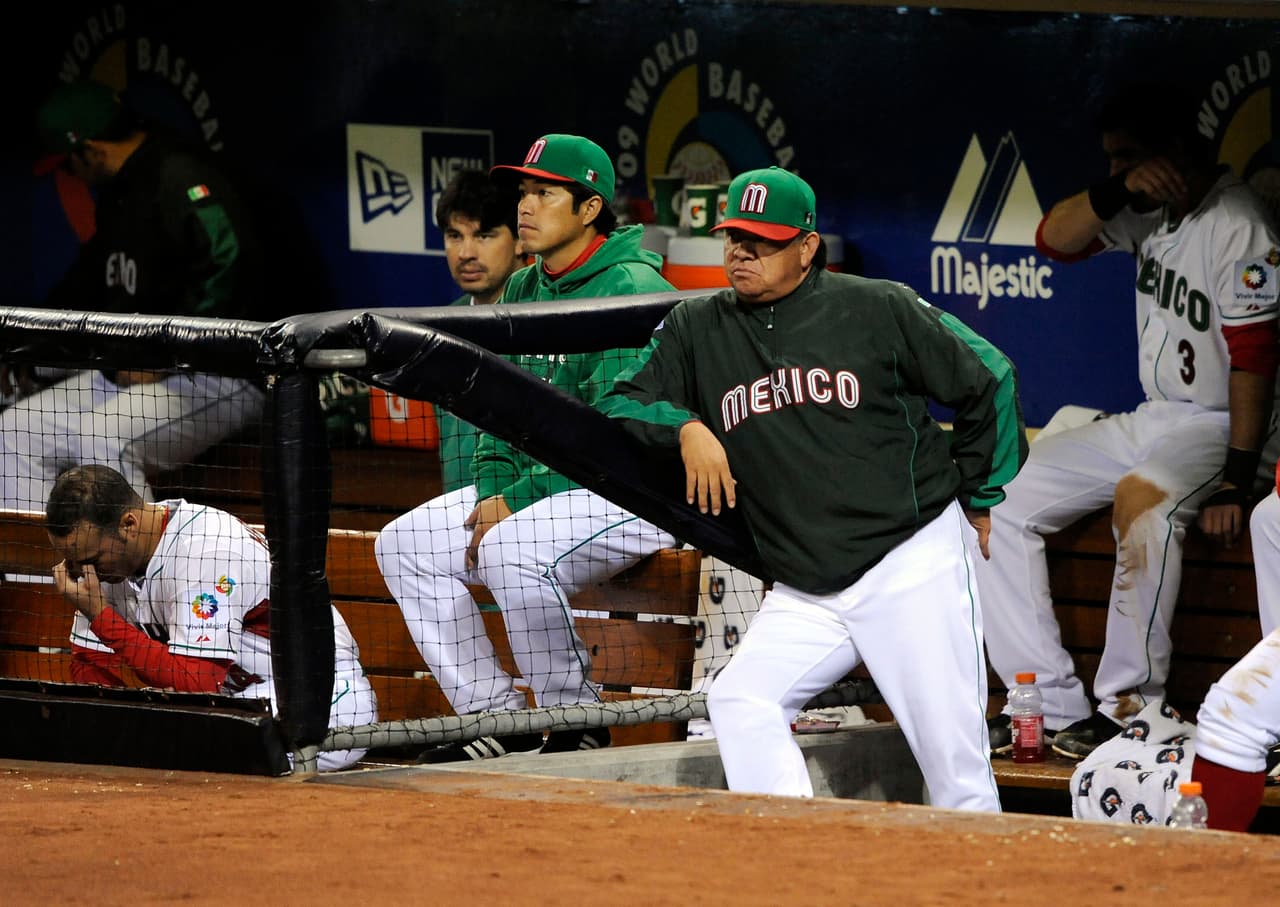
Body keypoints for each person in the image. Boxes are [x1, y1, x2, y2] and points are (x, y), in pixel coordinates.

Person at [600, 166, 1027, 810]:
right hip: (808, 586)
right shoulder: (696, 326)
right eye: (733, 237)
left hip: (908, 562)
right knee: (741, 698)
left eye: (761, 241)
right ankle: (801, 857)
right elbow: (621, 399)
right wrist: (686, 427)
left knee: (954, 761)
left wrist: (981, 492)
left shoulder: (877, 305)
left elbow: (990, 376)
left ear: (806, 247)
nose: (741, 252)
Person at [977, 82, 1280, 760]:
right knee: (997, 495)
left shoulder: (1240, 221)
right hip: (1155, 415)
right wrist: (1119, 189)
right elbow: (1053, 238)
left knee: (1141, 501)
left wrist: (1236, 477)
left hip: (1224, 423)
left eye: (1129, 157)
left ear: (1179, 149)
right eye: (1112, 159)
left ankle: (1130, 705)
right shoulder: (1147, 209)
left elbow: (1257, 356)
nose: (1117, 171)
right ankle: (1050, 704)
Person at [374, 134, 679, 761]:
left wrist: (514, 499)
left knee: (511, 551)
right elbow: (497, 413)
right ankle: (494, 720)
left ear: (589, 208)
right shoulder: (524, 288)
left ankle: (575, 719)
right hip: (551, 491)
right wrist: (491, 491)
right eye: (524, 191)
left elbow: (610, 436)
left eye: (545, 193)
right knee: (405, 544)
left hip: (636, 489)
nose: (526, 206)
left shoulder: (630, 285)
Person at [2, 79, 269, 515]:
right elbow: (84, 283)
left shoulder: (178, 175)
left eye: (70, 165)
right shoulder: (119, 194)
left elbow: (230, 256)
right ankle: (40, 581)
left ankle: (136, 581)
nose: (72, 177)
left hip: (219, 372)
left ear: (91, 149)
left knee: (103, 435)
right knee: (14, 431)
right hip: (130, 376)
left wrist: (171, 353)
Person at [45, 464, 377, 771]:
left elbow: (196, 682)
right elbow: (91, 669)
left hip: (323, 696)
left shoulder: (206, 547)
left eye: (92, 559)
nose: (87, 573)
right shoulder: (114, 565)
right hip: (238, 705)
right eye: (75, 563)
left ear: (128, 525)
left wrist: (103, 618)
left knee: (202, 750)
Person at [434, 169, 526, 493]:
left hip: (530, 515)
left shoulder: (548, 321)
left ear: (519, 241)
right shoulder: (441, 329)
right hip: (456, 518)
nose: (466, 253)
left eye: (484, 236)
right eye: (454, 235)